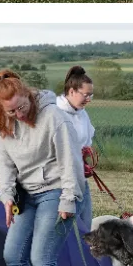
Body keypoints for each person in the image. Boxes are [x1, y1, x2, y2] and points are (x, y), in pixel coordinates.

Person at [0, 70, 83, 266]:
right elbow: (5, 168)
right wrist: (6, 198)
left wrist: (69, 200)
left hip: (57, 191)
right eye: (11, 110)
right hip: (26, 195)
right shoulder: (3, 125)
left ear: (28, 96)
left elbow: (71, 162)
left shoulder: (54, 117)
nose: (18, 114)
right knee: (12, 255)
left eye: (21, 107)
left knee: (41, 259)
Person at [53, 65, 95, 234]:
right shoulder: (55, 112)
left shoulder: (82, 113)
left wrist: (84, 154)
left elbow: (87, 139)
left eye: (91, 95)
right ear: (72, 91)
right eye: (86, 95)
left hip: (81, 180)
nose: (89, 99)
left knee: (86, 225)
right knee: (64, 229)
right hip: (60, 181)